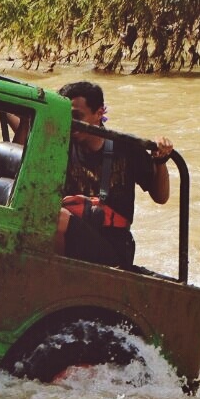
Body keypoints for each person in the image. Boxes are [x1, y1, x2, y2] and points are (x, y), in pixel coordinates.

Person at [55, 81, 173, 267]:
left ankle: (56, 272)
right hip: (70, 232)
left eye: (77, 117)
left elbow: (161, 197)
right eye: (66, 117)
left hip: (113, 245)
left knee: (55, 217)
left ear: (99, 113)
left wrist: (160, 162)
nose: (72, 125)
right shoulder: (60, 146)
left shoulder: (128, 149)